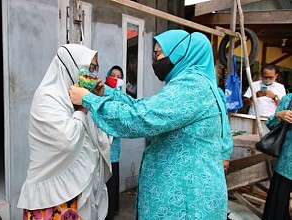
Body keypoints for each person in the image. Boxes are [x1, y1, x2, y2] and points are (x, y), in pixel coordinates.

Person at [69, 29, 233, 219]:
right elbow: (144, 107)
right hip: (185, 194)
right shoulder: (193, 84)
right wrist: (106, 92)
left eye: (158, 54)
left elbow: (142, 119)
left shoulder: (192, 86)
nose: (155, 61)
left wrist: (89, 100)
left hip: (185, 199)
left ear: (178, 54)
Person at [17, 44, 112, 220]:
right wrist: (83, 109)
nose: (94, 74)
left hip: (78, 192)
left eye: (96, 68)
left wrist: (96, 102)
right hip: (50, 199)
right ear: (72, 66)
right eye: (90, 68)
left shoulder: (81, 98)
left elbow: (100, 141)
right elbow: (67, 142)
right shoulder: (47, 97)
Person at [262, 93, 292, 220]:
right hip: (286, 168)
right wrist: (278, 116)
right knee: (278, 213)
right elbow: (271, 124)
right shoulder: (289, 99)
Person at [104, 65, 124, 220]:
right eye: (112, 75)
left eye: (118, 76)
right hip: (102, 142)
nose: (115, 78)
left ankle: (112, 209)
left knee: (113, 175)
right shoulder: (101, 92)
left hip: (114, 143)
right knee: (104, 177)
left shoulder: (121, 97)